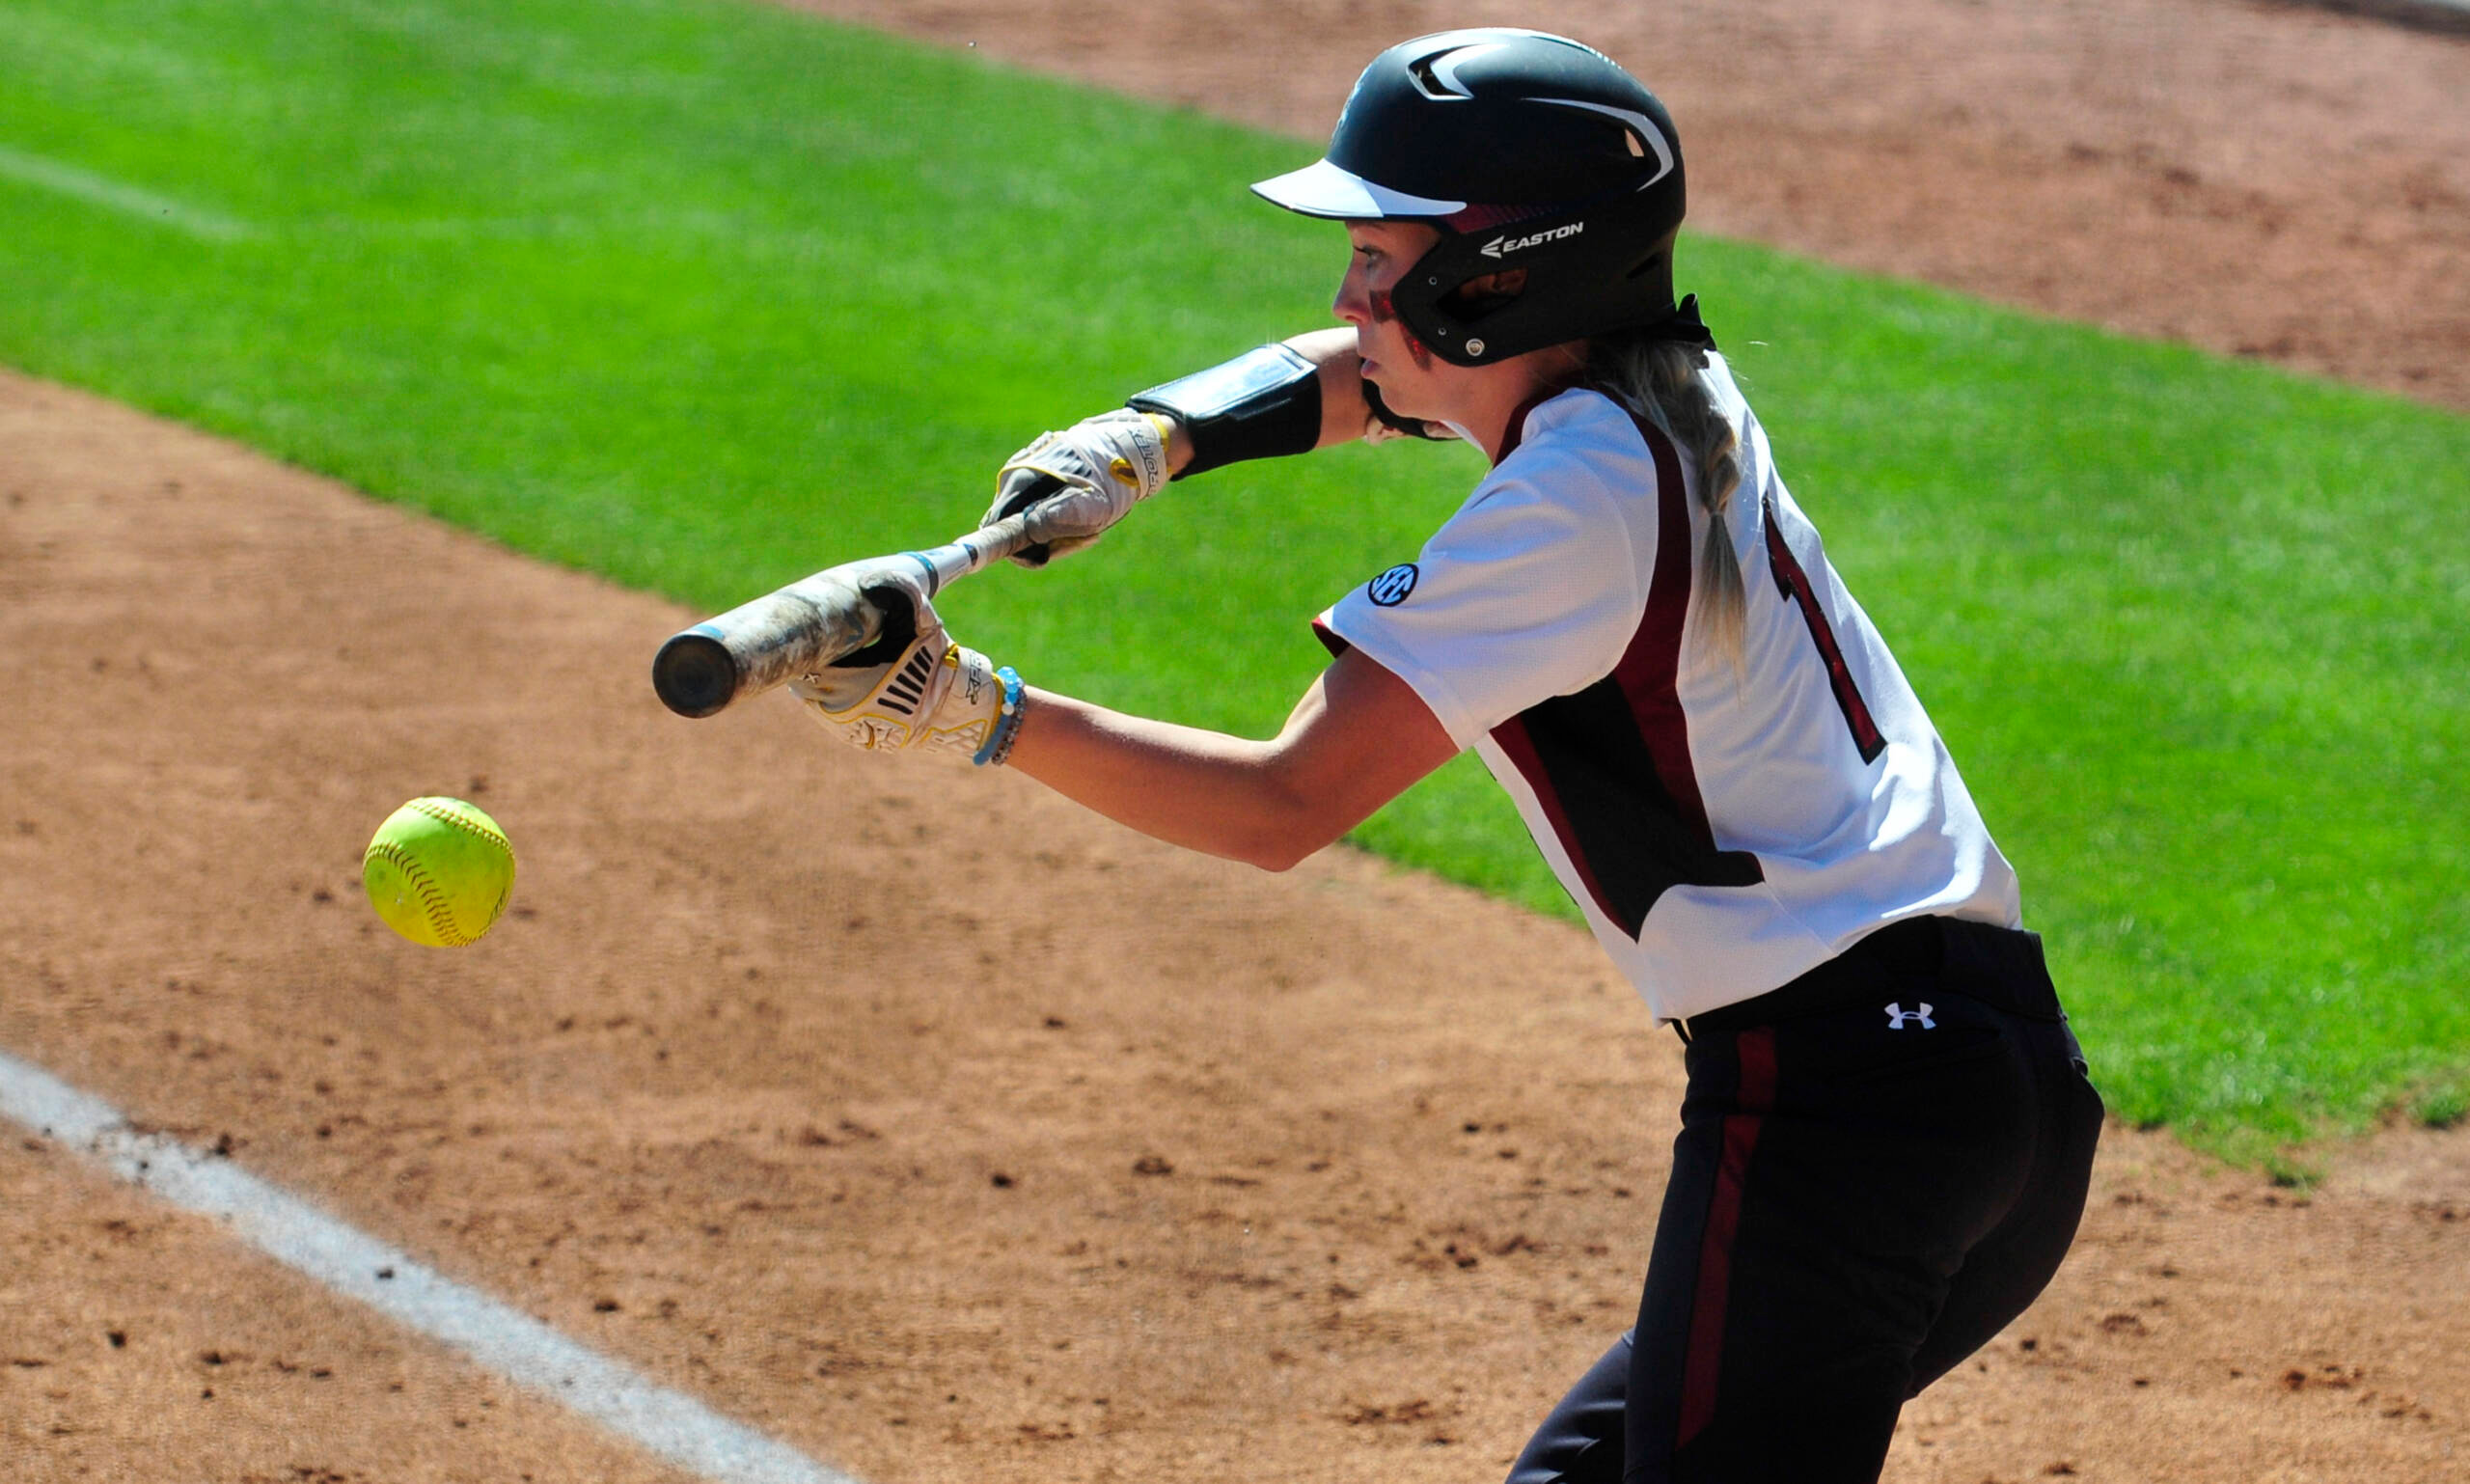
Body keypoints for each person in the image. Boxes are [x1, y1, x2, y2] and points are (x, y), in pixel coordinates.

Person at [792, 29, 2105, 1484]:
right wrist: (1150, 438)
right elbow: (1363, 377)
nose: (1350, 299)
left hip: (1839, 1113)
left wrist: (965, 706)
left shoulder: (1570, 508)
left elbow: (1279, 803)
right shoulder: (1654, 389)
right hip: (1996, 1089)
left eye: (1380, 258)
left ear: (1501, 275)